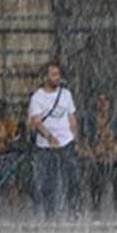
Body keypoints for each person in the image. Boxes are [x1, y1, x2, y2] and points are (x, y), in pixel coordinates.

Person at [28, 61, 81, 220]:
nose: (57, 78)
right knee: (48, 181)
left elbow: (72, 118)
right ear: (46, 77)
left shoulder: (66, 94)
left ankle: (74, 211)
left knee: (73, 178)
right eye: (53, 75)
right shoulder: (37, 97)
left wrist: (76, 139)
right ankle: (50, 215)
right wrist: (48, 136)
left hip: (67, 142)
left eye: (58, 74)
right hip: (46, 145)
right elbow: (36, 121)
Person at [79, 92, 117, 219]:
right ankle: (96, 212)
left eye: (105, 101)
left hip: (113, 156)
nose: (102, 104)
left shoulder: (116, 120)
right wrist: (90, 151)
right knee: (95, 184)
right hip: (98, 157)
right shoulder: (91, 120)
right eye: (100, 100)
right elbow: (83, 137)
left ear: (109, 104)